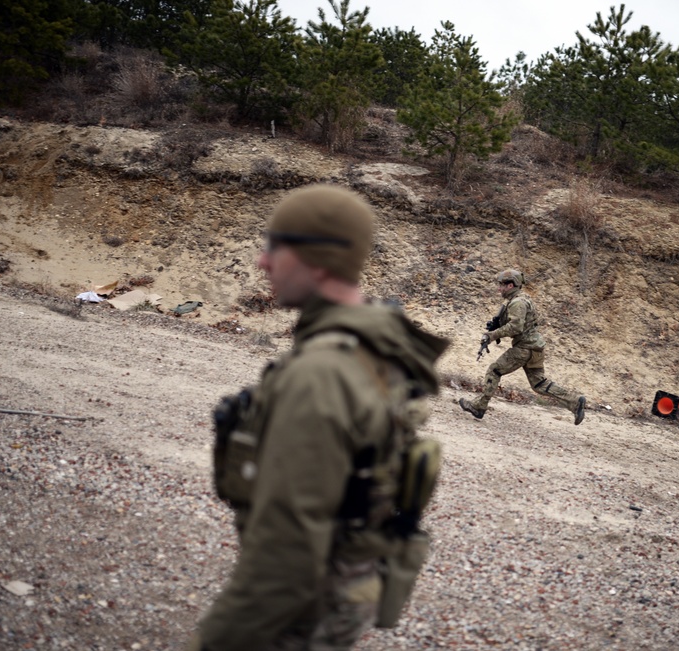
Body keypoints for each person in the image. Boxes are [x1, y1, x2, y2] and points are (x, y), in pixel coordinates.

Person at [187, 185, 449, 650]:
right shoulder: (378, 345)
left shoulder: (321, 374)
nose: (262, 262)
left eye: (275, 247)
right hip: (344, 593)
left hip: (303, 613)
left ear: (319, 260)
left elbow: (286, 559)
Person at [458, 269, 586, 425]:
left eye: (501, 285)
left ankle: (479, 406)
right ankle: (575, 402)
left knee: (494, 370)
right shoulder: (521, 299)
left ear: (510, 285)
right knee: (539, 384)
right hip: (534, 347)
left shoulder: (517, 303)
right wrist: (497, 325)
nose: (499, 289)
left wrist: (492, 335)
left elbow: (516, 327)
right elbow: (519, 323)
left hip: (524, 348)